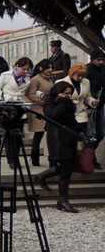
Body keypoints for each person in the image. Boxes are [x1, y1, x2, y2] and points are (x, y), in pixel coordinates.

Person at [36, 82, 85, 213]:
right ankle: (63, 200)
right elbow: (53, 116)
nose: (68, 96)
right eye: (66, 93)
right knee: (65, 166)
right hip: (58, 138)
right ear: (59, 91)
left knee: (68, 166)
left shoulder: (67, 103)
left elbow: (70, 119)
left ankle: (43, 178)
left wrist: (80, 130)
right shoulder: (50, 101)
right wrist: (62, 102)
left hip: (69, 137)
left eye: (70, 93)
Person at [0, 57, 34, 168]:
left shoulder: (27, 78)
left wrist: (39, 94)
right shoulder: (6, 75)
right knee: (9, 136)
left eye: (27, 70)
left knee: (18, 135)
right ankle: (12, 160)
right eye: (23, 69)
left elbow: (29, 91)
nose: (25, 72)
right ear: (17, 66)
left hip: (20, 108)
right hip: (7, 108)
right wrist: (6, 97)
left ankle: (16, 158)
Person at [25, 59, 54, 166]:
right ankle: (34, 157)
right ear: (41, 68)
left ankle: (51, 157)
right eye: (48, 68)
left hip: (48, 108)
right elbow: (30, 94)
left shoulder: (49, 79)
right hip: (38, 109)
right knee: (39, 133)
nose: (50, 70)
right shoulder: (35, 79)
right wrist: (40, 101)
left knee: (48, 132)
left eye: (51, 68)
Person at [55, 63, 100, 133]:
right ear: (72, 73)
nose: (80, 78)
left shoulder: (86, 82)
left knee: (82, 139)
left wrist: (92, 101)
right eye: (78, 75)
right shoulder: (60, 82)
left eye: (83, 76)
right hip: (67, 116)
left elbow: (87, 96)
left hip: (82, 115)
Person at [86, 49, 105, 169]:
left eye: (103, 59)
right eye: (98, 60)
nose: (101, 62)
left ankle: (91, 155)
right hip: (90, 105)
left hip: (101, 104)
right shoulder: (87, 70)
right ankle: (90, 158)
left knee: (101, 133)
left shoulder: (103, 69)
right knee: (91, 134)